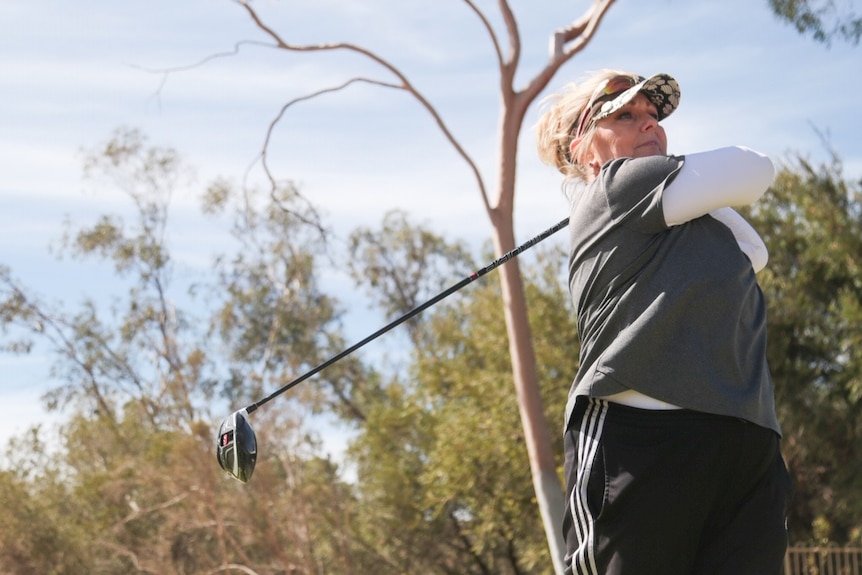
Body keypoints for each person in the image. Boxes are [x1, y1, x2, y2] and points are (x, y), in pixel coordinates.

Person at [534, 70, 793, 575]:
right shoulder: (616, 185)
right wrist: (671, 174)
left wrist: (680, 182)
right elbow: (752, 169)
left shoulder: (667, 207)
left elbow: (752, 252)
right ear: (585, 150)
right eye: (625, 116)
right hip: (643, 439)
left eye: (653, 115)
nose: (649, 124)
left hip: (746, 441)